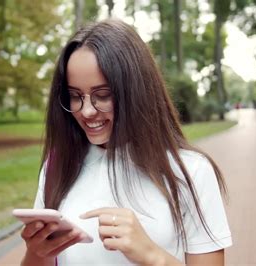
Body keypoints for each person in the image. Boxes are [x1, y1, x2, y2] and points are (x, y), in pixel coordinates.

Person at [20, 19, 232, 266]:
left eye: (103, 95)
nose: (87, 111)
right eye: (75, 96)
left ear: (136, 90)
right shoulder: (57, 166)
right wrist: (36, 253)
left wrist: (151, 255)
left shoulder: (191, 171)